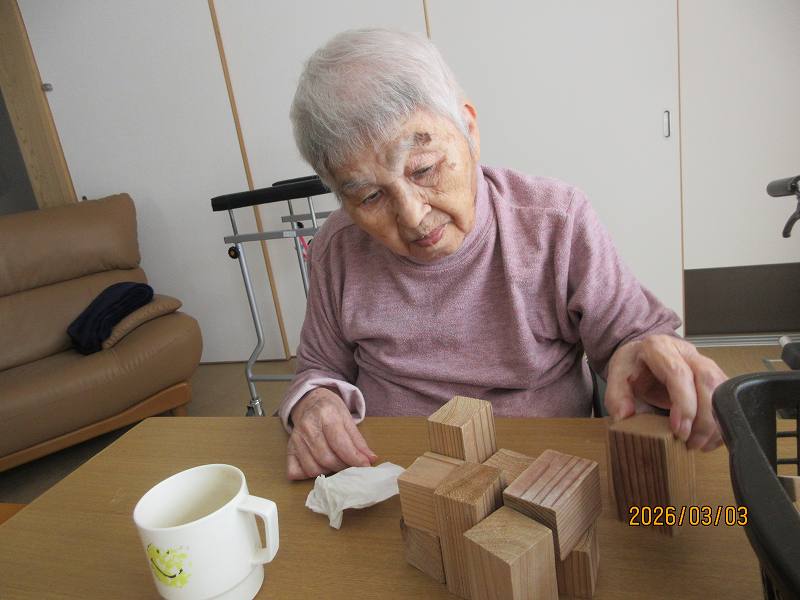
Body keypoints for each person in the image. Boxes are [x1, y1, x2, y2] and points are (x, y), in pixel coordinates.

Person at [279, 28, 727, 480]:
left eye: (424, 169)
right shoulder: (338, 247)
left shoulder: (556, 222)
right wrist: (315, 403)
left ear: (469, 130)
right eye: (370, 197)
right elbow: (319, 367)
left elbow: (631, 337)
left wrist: (642, 356)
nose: (413, 217)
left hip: (543, 473)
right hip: (393, 472)